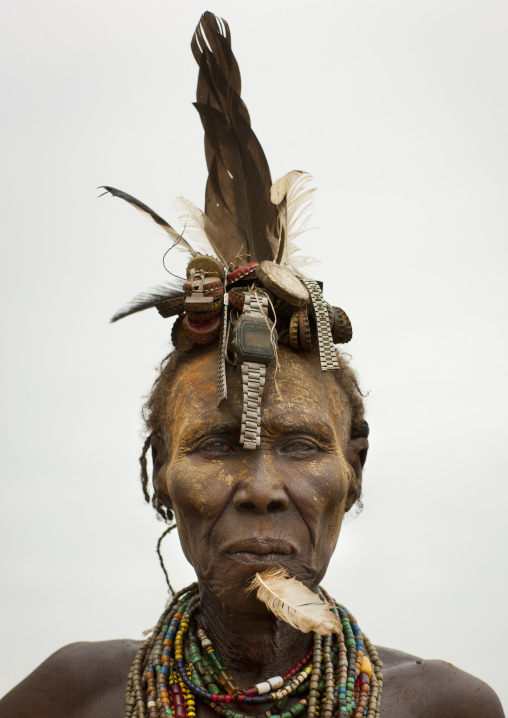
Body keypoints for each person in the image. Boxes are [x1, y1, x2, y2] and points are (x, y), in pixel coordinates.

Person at [0, 12, 504, 718]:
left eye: (301, 445)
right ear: (156, 474)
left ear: (354, 467)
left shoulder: (444, 707)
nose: (263, 490)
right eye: (213, 446)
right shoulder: (71, 697)